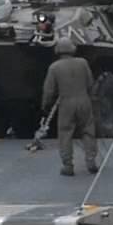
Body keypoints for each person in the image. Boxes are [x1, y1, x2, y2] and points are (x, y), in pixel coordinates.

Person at [41, 37, 98, 176]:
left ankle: (68, 166)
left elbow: (49, 91)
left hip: (66, 103)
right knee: (88, 131)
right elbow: (91, 84)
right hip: (84, 101)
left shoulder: (54, 67)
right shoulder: (83, 63)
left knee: (65, 133)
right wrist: (91, 99)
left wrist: (45, 105)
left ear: (57, 49)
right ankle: (91, 161)